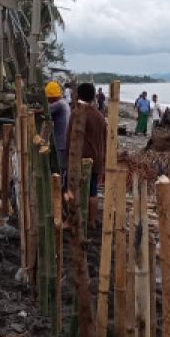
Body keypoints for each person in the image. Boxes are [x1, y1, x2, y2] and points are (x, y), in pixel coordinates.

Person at [77, 82, 107, 229]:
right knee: (93, 191)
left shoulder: (79, 115)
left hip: (82, 159)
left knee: (77, 189)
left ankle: (78, 219)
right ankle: (91, 220)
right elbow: (106, 138)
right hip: (97, 158)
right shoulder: (100, 116)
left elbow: (71, 137)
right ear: (94, 96)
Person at [46, 80, 70, 177]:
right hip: (63, 140)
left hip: (61, 142)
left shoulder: (59, 104)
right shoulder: (64, 103)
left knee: (61, 168)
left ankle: (61, 189)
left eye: (49, 98)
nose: (48, 101)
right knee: (62, 167)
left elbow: (45, 111)